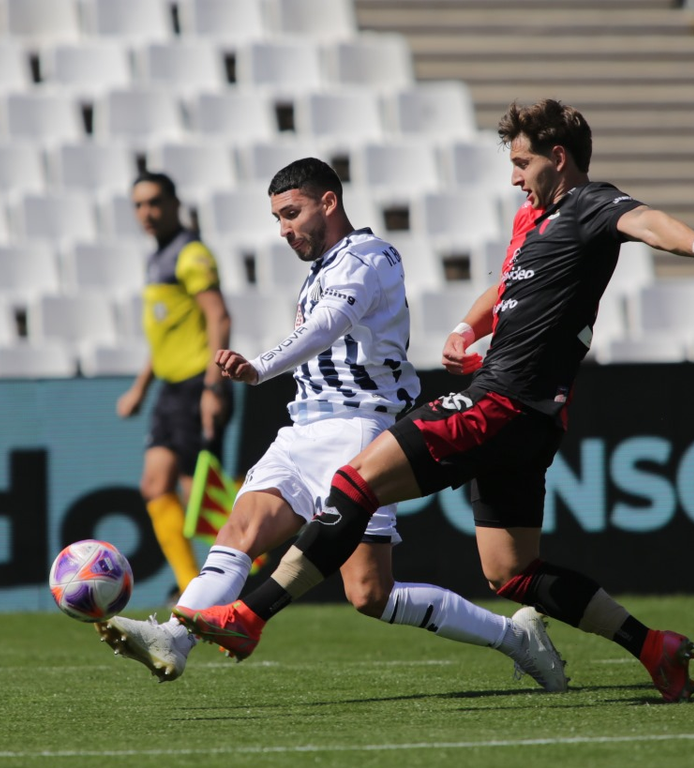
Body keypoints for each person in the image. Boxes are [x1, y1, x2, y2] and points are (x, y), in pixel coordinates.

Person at [174, 101, 694, 704]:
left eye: (522, 162)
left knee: (354, 482)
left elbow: (648, 221)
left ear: (559, 158)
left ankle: (249, 617)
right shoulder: (531, 219)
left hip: (501, 402)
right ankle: (653, 647)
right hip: (531, 418)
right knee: (512, 571)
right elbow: (508, 286)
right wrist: (466, 326)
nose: (514, 176)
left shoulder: (590, 206)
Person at [97, 157, 567, 694]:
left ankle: (517, 638)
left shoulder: (371, 257)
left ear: (329, 202)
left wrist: (260, 366)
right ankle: (174, 640)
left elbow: (329, 325)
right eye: (277, 219)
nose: (284, 230)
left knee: (370, 593)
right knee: (239, 532)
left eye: (292, 214)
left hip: (359, 432)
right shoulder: (320, 270)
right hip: (301, 430)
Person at [117, 172, 232, 603]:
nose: (146, 213)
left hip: (196, 385)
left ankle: (249, 558)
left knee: (199, 497)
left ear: (174, 203)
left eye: (154, 202)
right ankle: (191, 588)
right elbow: (167, 335)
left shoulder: (190, 253)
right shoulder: (158, 258)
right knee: (155, 485)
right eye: (138, 205)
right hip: (170, 389)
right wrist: (140, 388)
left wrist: (213, 388)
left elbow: (218, 317)